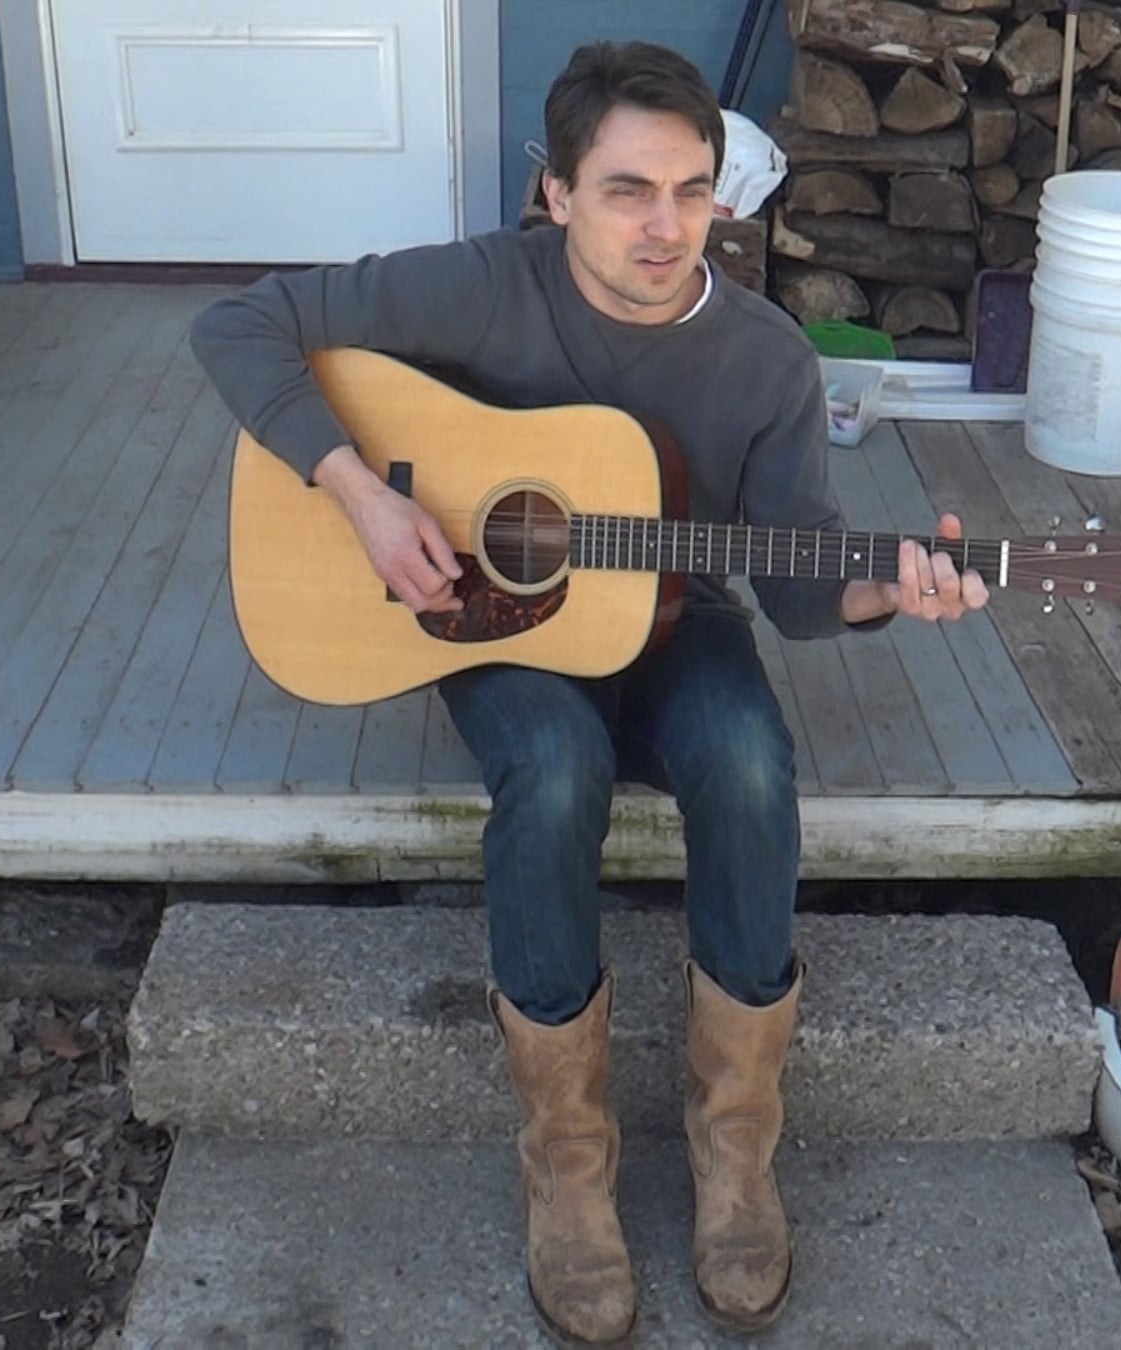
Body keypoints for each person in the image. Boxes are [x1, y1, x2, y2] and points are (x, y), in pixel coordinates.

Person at [189, 39, 988, 1343]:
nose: (666, 226)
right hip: (492, 617)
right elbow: (239, 323)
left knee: (748, 761)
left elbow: (798, 585)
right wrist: (361, 497)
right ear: (557, 193)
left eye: (693, 190)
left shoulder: (766, 359)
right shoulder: (481, 288)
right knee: (556, 768)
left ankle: (736, 1144)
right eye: (627, 190)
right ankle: (567, 1161)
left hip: (678, 616)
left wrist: (892, 589)